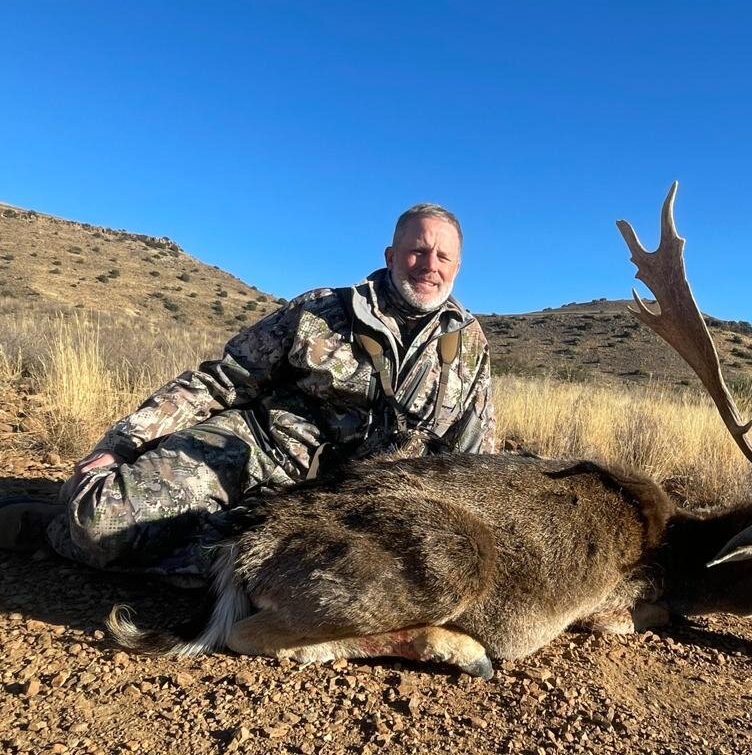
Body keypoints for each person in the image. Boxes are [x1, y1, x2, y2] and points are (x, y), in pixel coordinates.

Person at [0, 203, 495, 581]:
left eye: (444, 255)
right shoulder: (321, 310)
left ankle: (204, 552)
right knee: (99, 524)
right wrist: (122, 443)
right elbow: (219, 381)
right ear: (390, 255)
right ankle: (58, 525)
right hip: (251, 452)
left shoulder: (470, 346)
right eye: (418, 249)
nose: (429, 264)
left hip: (347, 505)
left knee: (350, 581)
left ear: (457, 267)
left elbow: (476, 455)